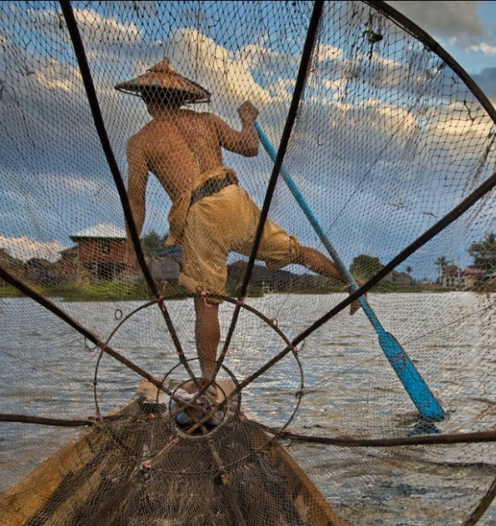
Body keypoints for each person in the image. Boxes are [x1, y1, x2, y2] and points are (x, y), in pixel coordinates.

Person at [116, 59, 360, 388]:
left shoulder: (141, 142)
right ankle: (350, 284)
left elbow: (137, 201)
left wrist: (132, 247)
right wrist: (248, 120)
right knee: (297, 251)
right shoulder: (208, 121)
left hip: (201, 213)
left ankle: (207, 381)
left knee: (206, 301)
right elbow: (249, 146)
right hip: (233, 198)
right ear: (182, 99)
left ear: (146, 100)